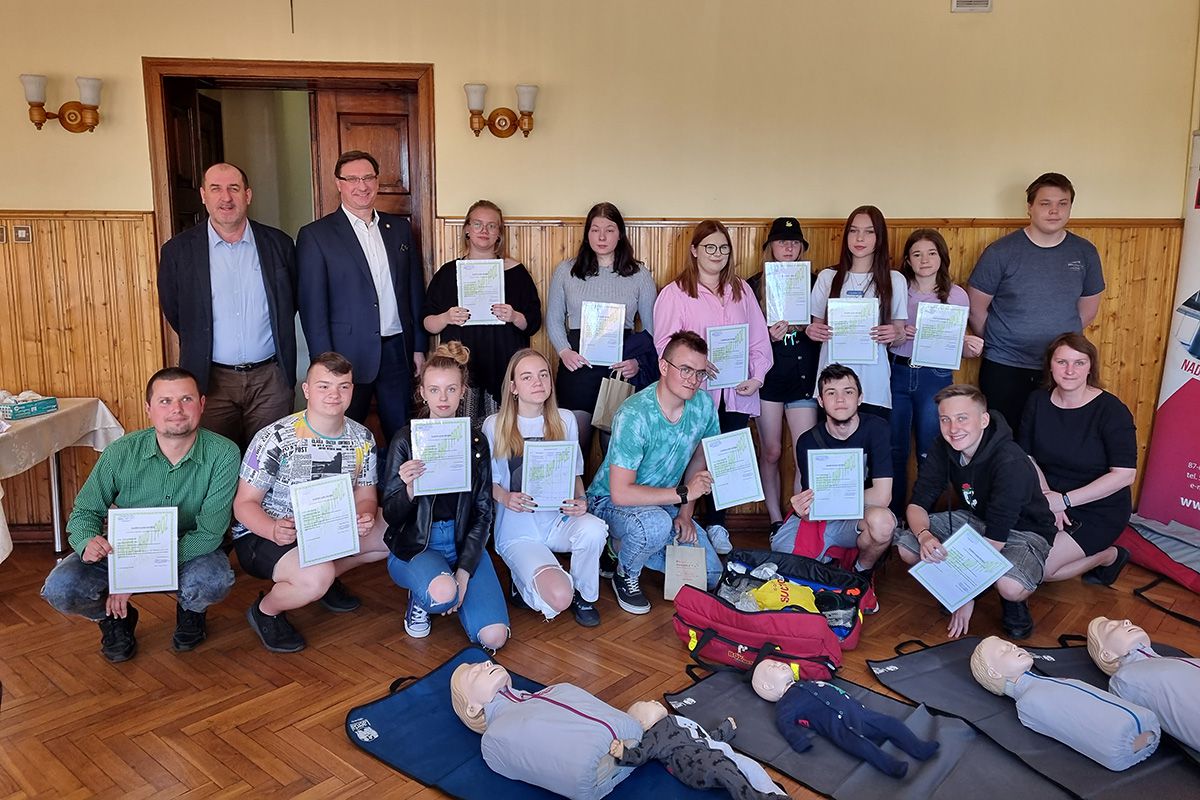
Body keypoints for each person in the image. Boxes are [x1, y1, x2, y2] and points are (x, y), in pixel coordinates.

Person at [41, 368, 239, 662]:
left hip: (189, 547)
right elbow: (85, 512)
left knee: (213, 580)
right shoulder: (121, 452)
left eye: (186, 399)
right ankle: (114, 618)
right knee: (61, 589)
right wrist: (86, 541)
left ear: (202, 404)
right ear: (148, 409)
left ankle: (191, 610)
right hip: (121, 550)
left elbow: (210, 533)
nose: (176, 409)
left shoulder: (224, 454)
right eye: (165, 401)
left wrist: (135, 577)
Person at [232, 352, 389, 653]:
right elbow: (244, 504)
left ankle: (326, 577)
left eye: (343, 386)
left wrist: (365, 514)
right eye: (323, 386)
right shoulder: (275, 437)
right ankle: (266, 611)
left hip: (329, 527)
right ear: (306, 390)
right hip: (269, 533)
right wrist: (272, 529)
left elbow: (366, 495)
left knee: (394, 533)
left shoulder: (363, 438)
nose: (334, 394)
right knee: (315, 578)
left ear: (352, 390)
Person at [157, 162, 298, 450]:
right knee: (217, 462)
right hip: (209, 380)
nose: (226, 198)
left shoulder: (279, 244)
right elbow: (175, 310)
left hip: (270, 380)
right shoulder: (178, 251)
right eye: (216, 189)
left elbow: (291, 301)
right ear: (203, 195)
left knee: (271, 460)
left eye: (234, 188)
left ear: (248, 195)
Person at [897, 384, 1056, 640]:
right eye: (945, 419)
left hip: (1022, 531)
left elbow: (995, 539)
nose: (953, 429)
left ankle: (1012, 602)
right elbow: (917, 504)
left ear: (983, 420)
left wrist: (964, 593)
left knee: (1010, 586)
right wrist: (925, 535)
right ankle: (963, 584)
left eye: (962, 418)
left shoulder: (1010, 461)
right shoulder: (943, 445)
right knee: (908, 546)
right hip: (976, 519)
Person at [653, 219, 773, 552]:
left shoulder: (741, 290)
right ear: (694, 250)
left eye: (723, 247)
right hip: (693, 391)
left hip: (736, 391)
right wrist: (696, 365)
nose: (717, 253)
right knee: (691, 457)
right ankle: (681, 521)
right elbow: (665, 344)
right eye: (709, 247)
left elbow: (759, 340)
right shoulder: (675, 293)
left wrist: (757, 376)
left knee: (725, 458)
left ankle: (718, 524)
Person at [382, 342, 508, 649]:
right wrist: (409, 489)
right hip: (418, 544)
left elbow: (483, 512)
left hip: (463, 540)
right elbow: (391, 515)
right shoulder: (405, 440)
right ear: (422, 392)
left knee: (494, 636)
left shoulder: (476, 441)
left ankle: (449, 583)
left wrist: (464, 572)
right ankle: (423, 594)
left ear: (463, 391)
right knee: (443, 594)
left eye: (451, 389)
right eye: (434, 390)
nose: (443, 398)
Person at [587, 331, 723, 615]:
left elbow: (699, 459)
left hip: (664, 503)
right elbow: (621, 493)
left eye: (699, 373)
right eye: (685, 369)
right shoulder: (634, 414)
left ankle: (620, 546)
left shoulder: (703, 405)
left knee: (710, 574)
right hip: (608, 502)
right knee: (655, 526)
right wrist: (683, 494)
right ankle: (625, 572)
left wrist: (685, 513)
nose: (693, 379)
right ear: (663, 366)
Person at [297, 150, 427, 444]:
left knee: (402, 434)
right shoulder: (316, 235)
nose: (362, 185)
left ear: (377, 181)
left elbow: (413, 290)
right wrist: (324, 365)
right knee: (341, 435)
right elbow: (312, 308)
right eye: (352, 179)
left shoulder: (399, 229)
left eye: (368, 178)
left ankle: (396, 476)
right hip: (345, 356)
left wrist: (419, 347)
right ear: (338, 183)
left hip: (397, 351)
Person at [968, 172, 1105, 435]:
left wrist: (1061, 350)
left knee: (1053, 439)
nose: (1054, 211)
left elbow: (1087, 311)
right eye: (1045, 203)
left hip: (1060, 368)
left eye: (1062, 203)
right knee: (1003, 439)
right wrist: (1002, 341)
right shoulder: (1000, 252)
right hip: (1005, 365)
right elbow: (976, 308)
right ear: (1029, 207)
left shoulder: (1085, 252)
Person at [483, 349, 606, 627]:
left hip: (557, 521)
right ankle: (524, 579)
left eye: (543, 375)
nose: (537, 382)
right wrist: (505, 497)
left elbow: (575, 473)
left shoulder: (565, 419)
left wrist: (581, 500)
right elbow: (488, 482)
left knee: (594, 529)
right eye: (527, 377)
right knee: (558, 598)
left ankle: (584, 595)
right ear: (513, 387)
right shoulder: (495, 424)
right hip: (518, 530)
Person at [771, 364, 895, 613]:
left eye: (848, 392)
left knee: (883, 523)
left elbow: (882, 496)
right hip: (824, 520)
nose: (840, 400)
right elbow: (812, 510)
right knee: (783, 554)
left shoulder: (877, 429)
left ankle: (861, 573)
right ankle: (831, 572)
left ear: (860, 398)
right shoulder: (808, 440)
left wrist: (832, 499)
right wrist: (801, 507)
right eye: (831, 393)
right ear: (820, 401)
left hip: (859, 517)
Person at [1019, 333, 1136, 584]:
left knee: (1042, 569)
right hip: (1047, 497)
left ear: (1090, 367)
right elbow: (1027, 456)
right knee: (1014, 551)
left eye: (1079, 362)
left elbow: (1124, 475)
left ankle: (1109, 556)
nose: (1070, 370)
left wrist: (1065, 500)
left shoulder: (1112, 411)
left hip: (1098, 506)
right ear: (1050, 365)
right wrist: (1048, 497)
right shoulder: (1037, 400)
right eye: (1062, 362)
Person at [546, 202, 659, 458]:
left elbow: (653, 329)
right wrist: (563, 351)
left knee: (615, 448)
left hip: (620, 368)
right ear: (587, 234)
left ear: (620, 234)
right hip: (577, 365)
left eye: (609, 230)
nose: (602, 236)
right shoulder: (566, 271)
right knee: (574, 446)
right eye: (595, 229)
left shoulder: (639, 274)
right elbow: (553, 319)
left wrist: (638, 363)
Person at [450, 659, 643, 800]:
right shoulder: (497, 736)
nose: (487, 663)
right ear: (472, 708)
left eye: (486, 664)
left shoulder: (552, 691)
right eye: (475, 673)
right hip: (593, 769)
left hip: (624, 737)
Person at [888, 229, 983, 515]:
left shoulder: (956, 295)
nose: (925, 260)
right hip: (897, 372)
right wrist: (898, 334)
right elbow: (883, 338)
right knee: (894, 449)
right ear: (908, 260)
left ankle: (927, 517)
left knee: (931, 450)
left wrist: (970, 347)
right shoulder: (896, 289)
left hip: (935, 376)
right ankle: (894, 517)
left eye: (931, 253)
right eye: (917, 254)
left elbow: (958, 348)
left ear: (942, 257)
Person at [423, 200, 542, 421]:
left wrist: (514, 316)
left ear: (499, 233)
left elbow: (533, 323)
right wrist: (446, 317)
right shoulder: (448, 273)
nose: (484, 230)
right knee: (465, 430)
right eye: (477, 224)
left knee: (502, 431)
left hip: (504, 365)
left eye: (491, 225)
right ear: (467, 229)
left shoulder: (516, 273)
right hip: (461, 367)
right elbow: (428, 323)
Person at [970, 635, 1159, 771]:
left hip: (1134, 732)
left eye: (1012, 645)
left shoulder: (1039, 690)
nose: (1014, 648)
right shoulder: (1028, 702)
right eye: (1004, 651)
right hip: (1123, 740)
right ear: (994, 673)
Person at [747, 217, 821, 534]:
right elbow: (745, 337)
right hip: (769, 380)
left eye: (794, 242)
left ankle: (797, 520)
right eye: (781, 242)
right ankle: (776, 519)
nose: (788, 248)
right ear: (770, 247)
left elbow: (829, 326)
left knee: (805, 452)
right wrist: (767, 337)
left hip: (804, 377)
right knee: (772, 451)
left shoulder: (816, 282)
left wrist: (813, 329)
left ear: (802, 247)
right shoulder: (753, 286)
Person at [750, 658, 940, 779]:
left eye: (776, 661)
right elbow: (783, 723)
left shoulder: (805, 683)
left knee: (891, 723)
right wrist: (799, 741)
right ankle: (892, 767)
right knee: (862, 745)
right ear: (767, 687)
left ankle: (919, 748)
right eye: (772, 667)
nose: (779, 663)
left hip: (859, 712)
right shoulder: (786, 704)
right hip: (839, 725)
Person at [806, 206, 907, 419]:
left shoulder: (895, 280)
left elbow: (900, 335)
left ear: (880, 237)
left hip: (873, 383)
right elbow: (815, 327)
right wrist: (812, 331)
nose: (860, 238)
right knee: (832, 440)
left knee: (873, 439)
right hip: (832, 382)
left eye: (869, 231)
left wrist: (895, 334)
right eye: (853, 231)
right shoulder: (827, 277)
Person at [609, 700, 787, 799]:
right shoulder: (655, 734)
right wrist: (624, 753)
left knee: (752, 768)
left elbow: (704, 738)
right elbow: (641, 754)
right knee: (729, 775)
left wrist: (725, 730)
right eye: (645, 703)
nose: (652, 700)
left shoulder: (675, 720)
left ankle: (777, 795)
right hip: (697, 763)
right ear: (643, 723)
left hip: (718, 753)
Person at [1087, 616, 1200, 752]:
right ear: (1106, 655)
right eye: (1111, 627)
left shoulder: (1164, 662)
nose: (1126, 621)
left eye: (1127, 621)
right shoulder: (1124, 680)